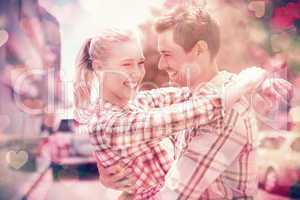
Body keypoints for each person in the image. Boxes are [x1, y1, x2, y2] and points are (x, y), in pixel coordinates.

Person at [97, 7, 293, 200]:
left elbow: (171, 196)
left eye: (167, 54)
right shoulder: (190, 98)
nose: (160, 65)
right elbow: (129, 113)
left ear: (199, 49)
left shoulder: (224, 113)